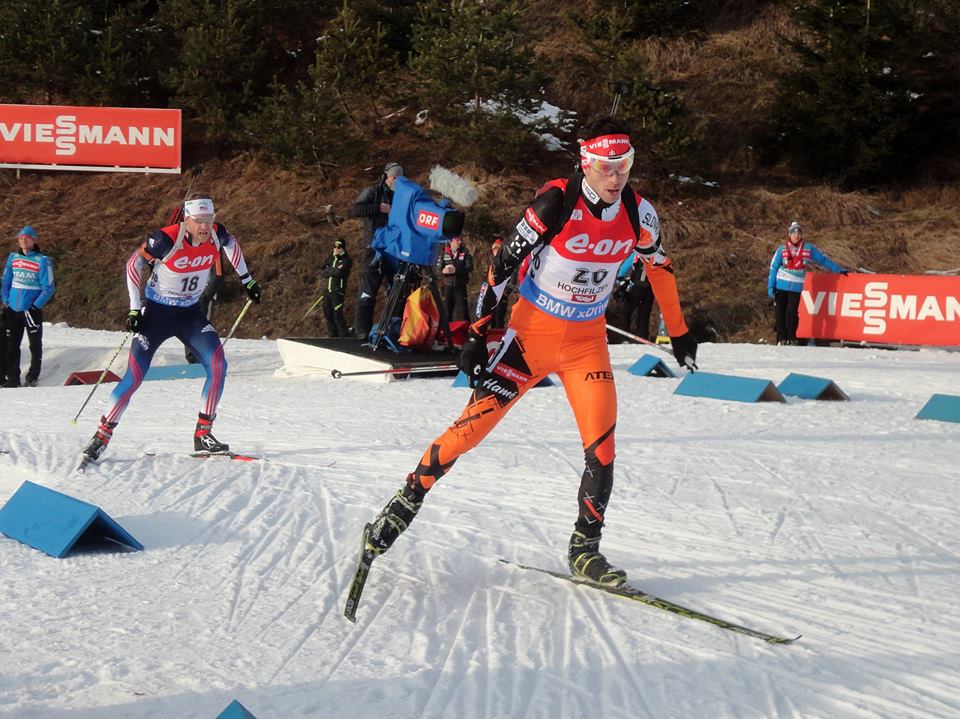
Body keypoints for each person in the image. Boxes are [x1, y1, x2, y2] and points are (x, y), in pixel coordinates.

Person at [356, 117, 698, 588]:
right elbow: (501, 265)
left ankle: (585, 549)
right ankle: (396, 511)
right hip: (530, 339)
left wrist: (677, 331)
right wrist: (477, 333)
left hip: (586, 346)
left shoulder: (640, 213)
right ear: (586, 162)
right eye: (606, 167)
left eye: (624, 165)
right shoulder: (556, 201)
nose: (616, 176)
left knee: (602, 448)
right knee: (467, 433)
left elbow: (660, 266)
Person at [77, 198, 262, 467]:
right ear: (186, 220)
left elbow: (232, 244)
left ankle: (203, 434)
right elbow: (133, 264)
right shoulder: (165, 240)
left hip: (189, 314)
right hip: (157, 315)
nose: (205, 227)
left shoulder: (216, 233)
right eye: (199, 221)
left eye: (209, 220)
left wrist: (247, 279)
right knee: (135, 376)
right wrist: (134, 307)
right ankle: (101, 437)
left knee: (218, 364)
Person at [767, 220, 846, 345]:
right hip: (781, 284)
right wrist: (771, 286)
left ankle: (792, 338)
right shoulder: (782, 249)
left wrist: (838, 269)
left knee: (791, 312)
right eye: (793, 233)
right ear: (789, 235)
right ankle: (781, 338)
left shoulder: (808, 248)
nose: (796, 236)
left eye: (798, 233)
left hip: (796, 286)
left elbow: (823, 260)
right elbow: (773, 268)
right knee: (780, 312)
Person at [351, 161, 403, 338]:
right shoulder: (373, 192)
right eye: (393, 177)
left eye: (399, 178)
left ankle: (393, 329)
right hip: (374, 248)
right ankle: (362, 332)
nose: (396, 181)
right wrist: (378, 208)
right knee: (368, 290)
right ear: (386, 177)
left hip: (394, 250)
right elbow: (355, 210)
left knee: (397, 291)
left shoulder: (402, 196)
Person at [1, 226, 55, 388]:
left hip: (30, 310)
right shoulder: (13, 258)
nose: (23, 241)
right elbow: (5, 282)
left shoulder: (43, 260)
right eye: (21, 238)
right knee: (10, 344)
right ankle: (12, 378)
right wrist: (6, 300)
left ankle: (32, 376)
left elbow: (49, 287)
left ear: (34, 240)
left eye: (27, 238)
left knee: (34, 345)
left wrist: (35, 305)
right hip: (12, 309)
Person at [608, 250, 655, 342]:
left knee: (626, 311)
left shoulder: (636, 254)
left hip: (636, 287)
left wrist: (620, 282)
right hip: (650, 289)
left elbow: (623, 270)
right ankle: (643, 338)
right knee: (644, 315)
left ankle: (624, 337)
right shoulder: (657, 255)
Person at [436, 235, 473, 322]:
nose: (460, 242)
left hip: (460, 286)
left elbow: (470, 267)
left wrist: (456, 270)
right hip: (448, 286)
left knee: (463, 311)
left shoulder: (465, 252)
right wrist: (443, 271)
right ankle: (446, 332)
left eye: (460, 240)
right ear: (451, 241)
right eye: (457, 240)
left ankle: (466, 331)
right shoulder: (443, 253)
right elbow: (438, 269)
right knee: (447, 311)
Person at [319, 239, 352, 337]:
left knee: (337, 314)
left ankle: (343, 334)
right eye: (335, 246)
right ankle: (333, 334)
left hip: (337, 291)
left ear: (343, 248)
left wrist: (330, 271)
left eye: (339, 247)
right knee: (327, 313)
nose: (336, 249)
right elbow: (322, 271)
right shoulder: (330, 258)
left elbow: (339, 273)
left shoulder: (346, 260)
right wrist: (332, 270)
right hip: (327, 291)